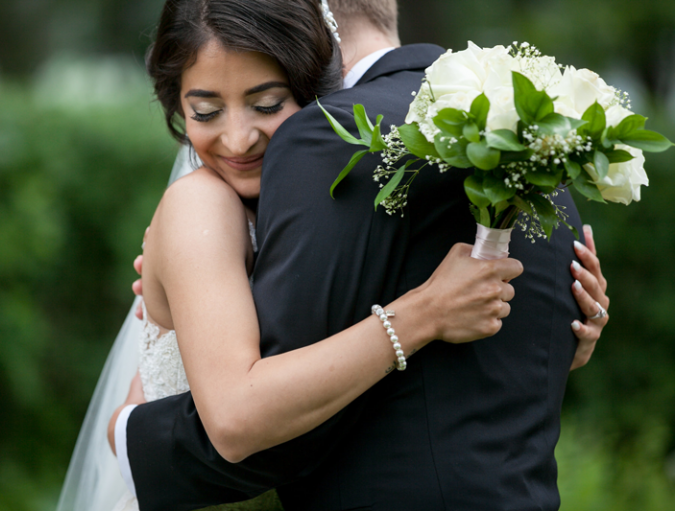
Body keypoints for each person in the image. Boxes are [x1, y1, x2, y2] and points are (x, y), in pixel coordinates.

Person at [95, 0, 608, 510]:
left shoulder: (343, 148)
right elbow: (239, 416)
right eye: (204, 112)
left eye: (268, 105)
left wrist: (570, 331)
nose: (237, 137)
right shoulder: (516, 127)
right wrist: (422, 314)